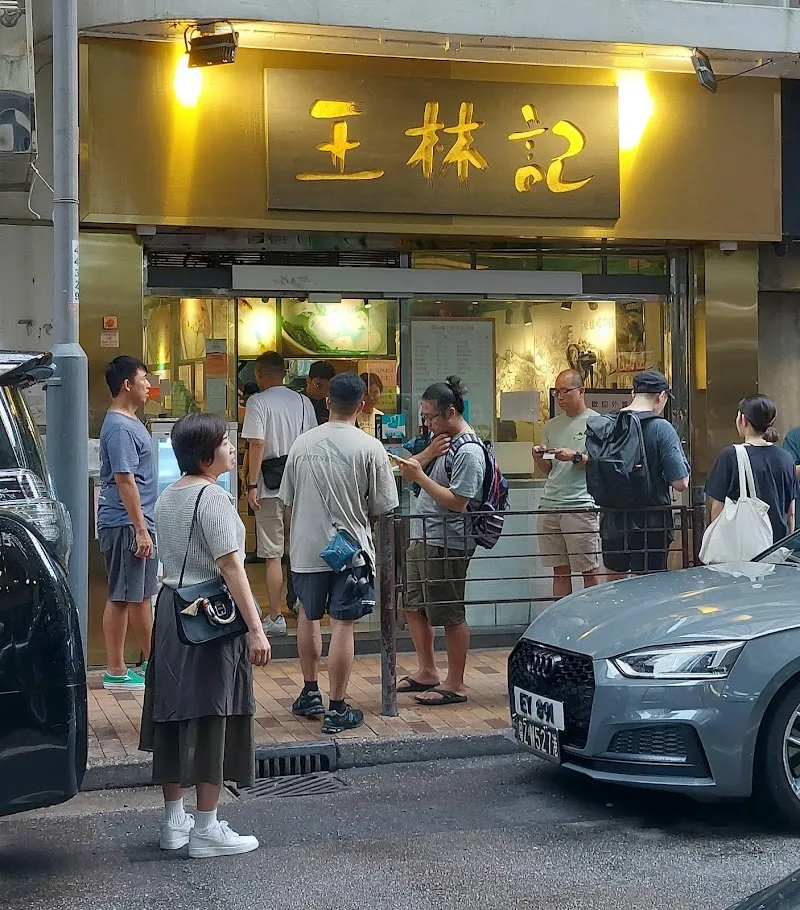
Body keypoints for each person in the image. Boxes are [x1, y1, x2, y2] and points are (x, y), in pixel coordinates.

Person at [140, 414, 271, 859]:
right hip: (210, 617)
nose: (232, 448)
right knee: (214, 711)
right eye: (224, 442)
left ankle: (173, 821)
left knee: (172, 710)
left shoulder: (167, 496)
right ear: (204, 455)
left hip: (171, 610)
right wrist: (256, 628)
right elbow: (231, 566)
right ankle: (207, 828)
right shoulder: (212, 497)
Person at [280, 373, 398, 733]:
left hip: (306, 548)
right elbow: (383, 506)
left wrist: (294, 540)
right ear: (362, 404)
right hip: (350, 552)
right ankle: (337, 706)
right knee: (343, 624)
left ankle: (309, 691)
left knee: (307, 616)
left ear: (328, 401)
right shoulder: (370, 448)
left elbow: (287, 502)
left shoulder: (301, 444)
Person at [394, 376, 485, 707]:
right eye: (424, 416)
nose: (427, 423)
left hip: (448, 542)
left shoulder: (469, 450)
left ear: (450, 412)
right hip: (424, 535)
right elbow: (409, 468)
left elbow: (458, 502)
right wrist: (426, 456)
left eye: (431, 417)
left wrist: (420, 477)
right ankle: (427, 669)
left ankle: (455, 682)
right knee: (413, 605)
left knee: (449, 612)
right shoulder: (440, 443)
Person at [242, 351, 317, 636]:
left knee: (273, 554)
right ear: (284, 373)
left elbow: (257, 444)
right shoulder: (303, 402)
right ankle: (302, 606)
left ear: (259, 374)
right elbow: (311, 442)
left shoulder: (257, 402)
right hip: (300, 483)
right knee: (298, 548)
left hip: (270, 486)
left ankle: (275, 617)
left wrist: (251, 484)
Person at [97, 356, 158, 692]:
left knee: (132, 595)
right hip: (125, 523)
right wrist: (140, 529)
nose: (148, 385)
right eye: (143, 379)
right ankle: (125, 669)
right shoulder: (121, 427)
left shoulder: (130, 421)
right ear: (126, 384)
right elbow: (125, 480)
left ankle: (137, 667)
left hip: (132, 521)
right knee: (130, 596)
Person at [598, 370, 690, 579]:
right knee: (650, 585)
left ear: (633, 393)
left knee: (615, 583)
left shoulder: (607, 424)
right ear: (661, 396)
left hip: (612, 519)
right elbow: (681, 482)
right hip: (652, 522)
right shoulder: (661, 428)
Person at [533, 369, 602, 599]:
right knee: (559, 571)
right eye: (557, 392)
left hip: (580, 505)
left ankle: (594, 616)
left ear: (581, 391)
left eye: (565, 391)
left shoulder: (597, 422)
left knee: (589, 569)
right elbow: (548, 469)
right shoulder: (551, 426)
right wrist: (539, 457)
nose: (560, 397)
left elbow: (603, 464)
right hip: (550, 504)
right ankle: (561, 618)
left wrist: (575, 456)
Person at [706, 395, 798, 542]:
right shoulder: (786, 458)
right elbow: (791, 512)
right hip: (776, 544)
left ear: (743, 420)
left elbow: (717, 508)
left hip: (740, 545)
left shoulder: (730, 456)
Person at [303, 360, 336, 425]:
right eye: (319, 386)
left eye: (327, 387)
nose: (323, 391)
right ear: (308, 381)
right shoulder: (298, 402)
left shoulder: (331, 405)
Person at [357, 372, 384, 437]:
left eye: (375, 393)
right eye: (366, 393)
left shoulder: (381, 416)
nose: (371, 398)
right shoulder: (353, 416)